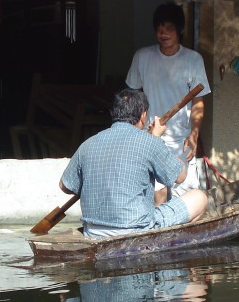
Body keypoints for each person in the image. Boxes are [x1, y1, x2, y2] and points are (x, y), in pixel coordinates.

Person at [59, 88, 208, 238]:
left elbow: (64, 186)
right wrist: (160, 142)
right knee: (199, 197)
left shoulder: (87, 144)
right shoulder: (150, 142)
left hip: (93, 231)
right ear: (143, 116)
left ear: (114, 113)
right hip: (136, 229)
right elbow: (180, 176)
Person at [126, 3, 211, 203]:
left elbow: (198, 101)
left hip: (181, 139)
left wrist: (194, 134)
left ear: (180, 30)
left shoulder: (193, 60)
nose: (163, 33)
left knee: (185, 191)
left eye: (169, 28)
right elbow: (133, 97)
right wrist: (135, 131)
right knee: (156, 194)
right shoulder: (143, 57)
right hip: (150, 136)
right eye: (159, 29)